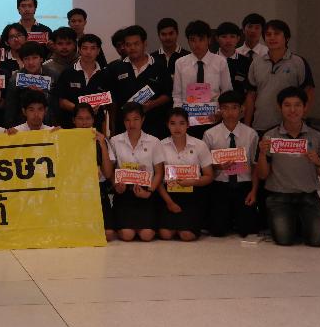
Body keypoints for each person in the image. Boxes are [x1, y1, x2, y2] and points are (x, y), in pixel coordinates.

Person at [257, 87, 320, 247]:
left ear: (305, 107)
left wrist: (318, 161)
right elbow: (262, 175)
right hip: (279, 197)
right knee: (284, 239)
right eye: (287, 105)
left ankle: (300, 220)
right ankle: (293, 221)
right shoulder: (270, 136)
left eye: (297, 105)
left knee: (318, 240)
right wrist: (262, 154)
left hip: (308, 196)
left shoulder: (317, 136)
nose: (292, 110)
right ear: (279, 107)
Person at [202, 90, 260, 237]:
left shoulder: (251, 134)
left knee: (247, 230)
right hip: (220, 185)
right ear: (220, 110)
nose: (230, 112)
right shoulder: (210, 134)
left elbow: (255, 166)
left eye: (234, 107)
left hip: (244, 185)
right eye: (225, 108)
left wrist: (253, 191)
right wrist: (218, 166)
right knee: (217, 230)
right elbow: (204, 165)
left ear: (242, 109)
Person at [244, 19, 315, 134]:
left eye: (276, 34)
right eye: (268, 34)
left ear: (286, 38)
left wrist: (302, 118)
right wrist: (247, 126)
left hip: (290, 126)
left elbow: (309, 91)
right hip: (261, 124)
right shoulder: (256, 63)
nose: (272, 38)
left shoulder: (298, 62)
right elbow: (251, 96)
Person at [108, 102, 164, 242]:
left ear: (143, 119)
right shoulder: (115, 141)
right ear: (123, 122)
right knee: (127, 235)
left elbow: (159, 172)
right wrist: (116, 185)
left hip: (146, 193)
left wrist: (149, 192)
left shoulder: (154, 142)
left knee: (147, 235)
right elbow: (110, 170)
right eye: (127, 120)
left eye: (136, 119)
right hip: (124, 193)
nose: (131, 124)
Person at [156, 108, 214, 241]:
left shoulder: (199, 145)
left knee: (187, 235)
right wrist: (169, 202)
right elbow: (158, 178)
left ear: (188, 124)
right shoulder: (160, 145)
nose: (177, 128)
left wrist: (192, 181)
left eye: (182, 123)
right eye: (173, 123)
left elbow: (209, 176)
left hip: (193, 194)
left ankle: (183, 226)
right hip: (168, 195)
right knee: (165, 234)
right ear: (167, 125)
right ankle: (175, 225)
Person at [108, 25, 172, 139]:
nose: (132, 48)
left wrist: (153, 104)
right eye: (128, 45)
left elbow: (168, 94)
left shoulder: (159, 66)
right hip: (124, 128)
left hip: (154, 127)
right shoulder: (115, 68)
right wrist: (112, 126)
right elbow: (112, 99)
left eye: (136, 44)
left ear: (144, 43)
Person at [172, 20, 232, 136]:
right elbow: (177, 95)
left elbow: (227, 92)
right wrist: (180, 116)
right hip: (188, 119)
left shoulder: (220, 62)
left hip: (214, 118)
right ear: (188, 41)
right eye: (193, 40)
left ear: (209, 40)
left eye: (201, 39)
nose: (197, 44)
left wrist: (220, 113)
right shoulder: (180, 63)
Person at [73, 102, 115, 241]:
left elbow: (108, 174)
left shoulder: (101, 140)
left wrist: (102, 143)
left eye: (88, 118)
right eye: (80, 118)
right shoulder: (66, 139)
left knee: (108, 234)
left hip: (97, 190)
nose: (84, 123)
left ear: (93, 120)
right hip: (75, 191)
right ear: (74, 120)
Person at [56, 34, 112, 129]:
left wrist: (101, 106)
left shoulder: (105, 74)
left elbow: (109, 101)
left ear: (98, 51)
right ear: (79, 50)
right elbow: (61, 101)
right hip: (70, 126)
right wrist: (80, 110)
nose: (88, 52)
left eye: (93, 48)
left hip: (96, 126)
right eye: (85, 48)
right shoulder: (68, 72)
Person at [4, 41, 56, 127]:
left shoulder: (53, 76)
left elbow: (57, 105)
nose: (31, 62)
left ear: (41, 59)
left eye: (35, 58)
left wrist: (44, 94)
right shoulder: (15, 79)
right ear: (22, 60)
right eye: (26, 59)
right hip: (23, 127)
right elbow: (10, 109)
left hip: (49, 126)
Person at [214, 22, 252, 95]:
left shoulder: (247, 62)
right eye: (224, 37)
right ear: (217, 39)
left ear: (238, 39)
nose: (228, 40)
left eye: (232, 36)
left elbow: (250, 89)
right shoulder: (210, 61)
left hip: (240, 101)